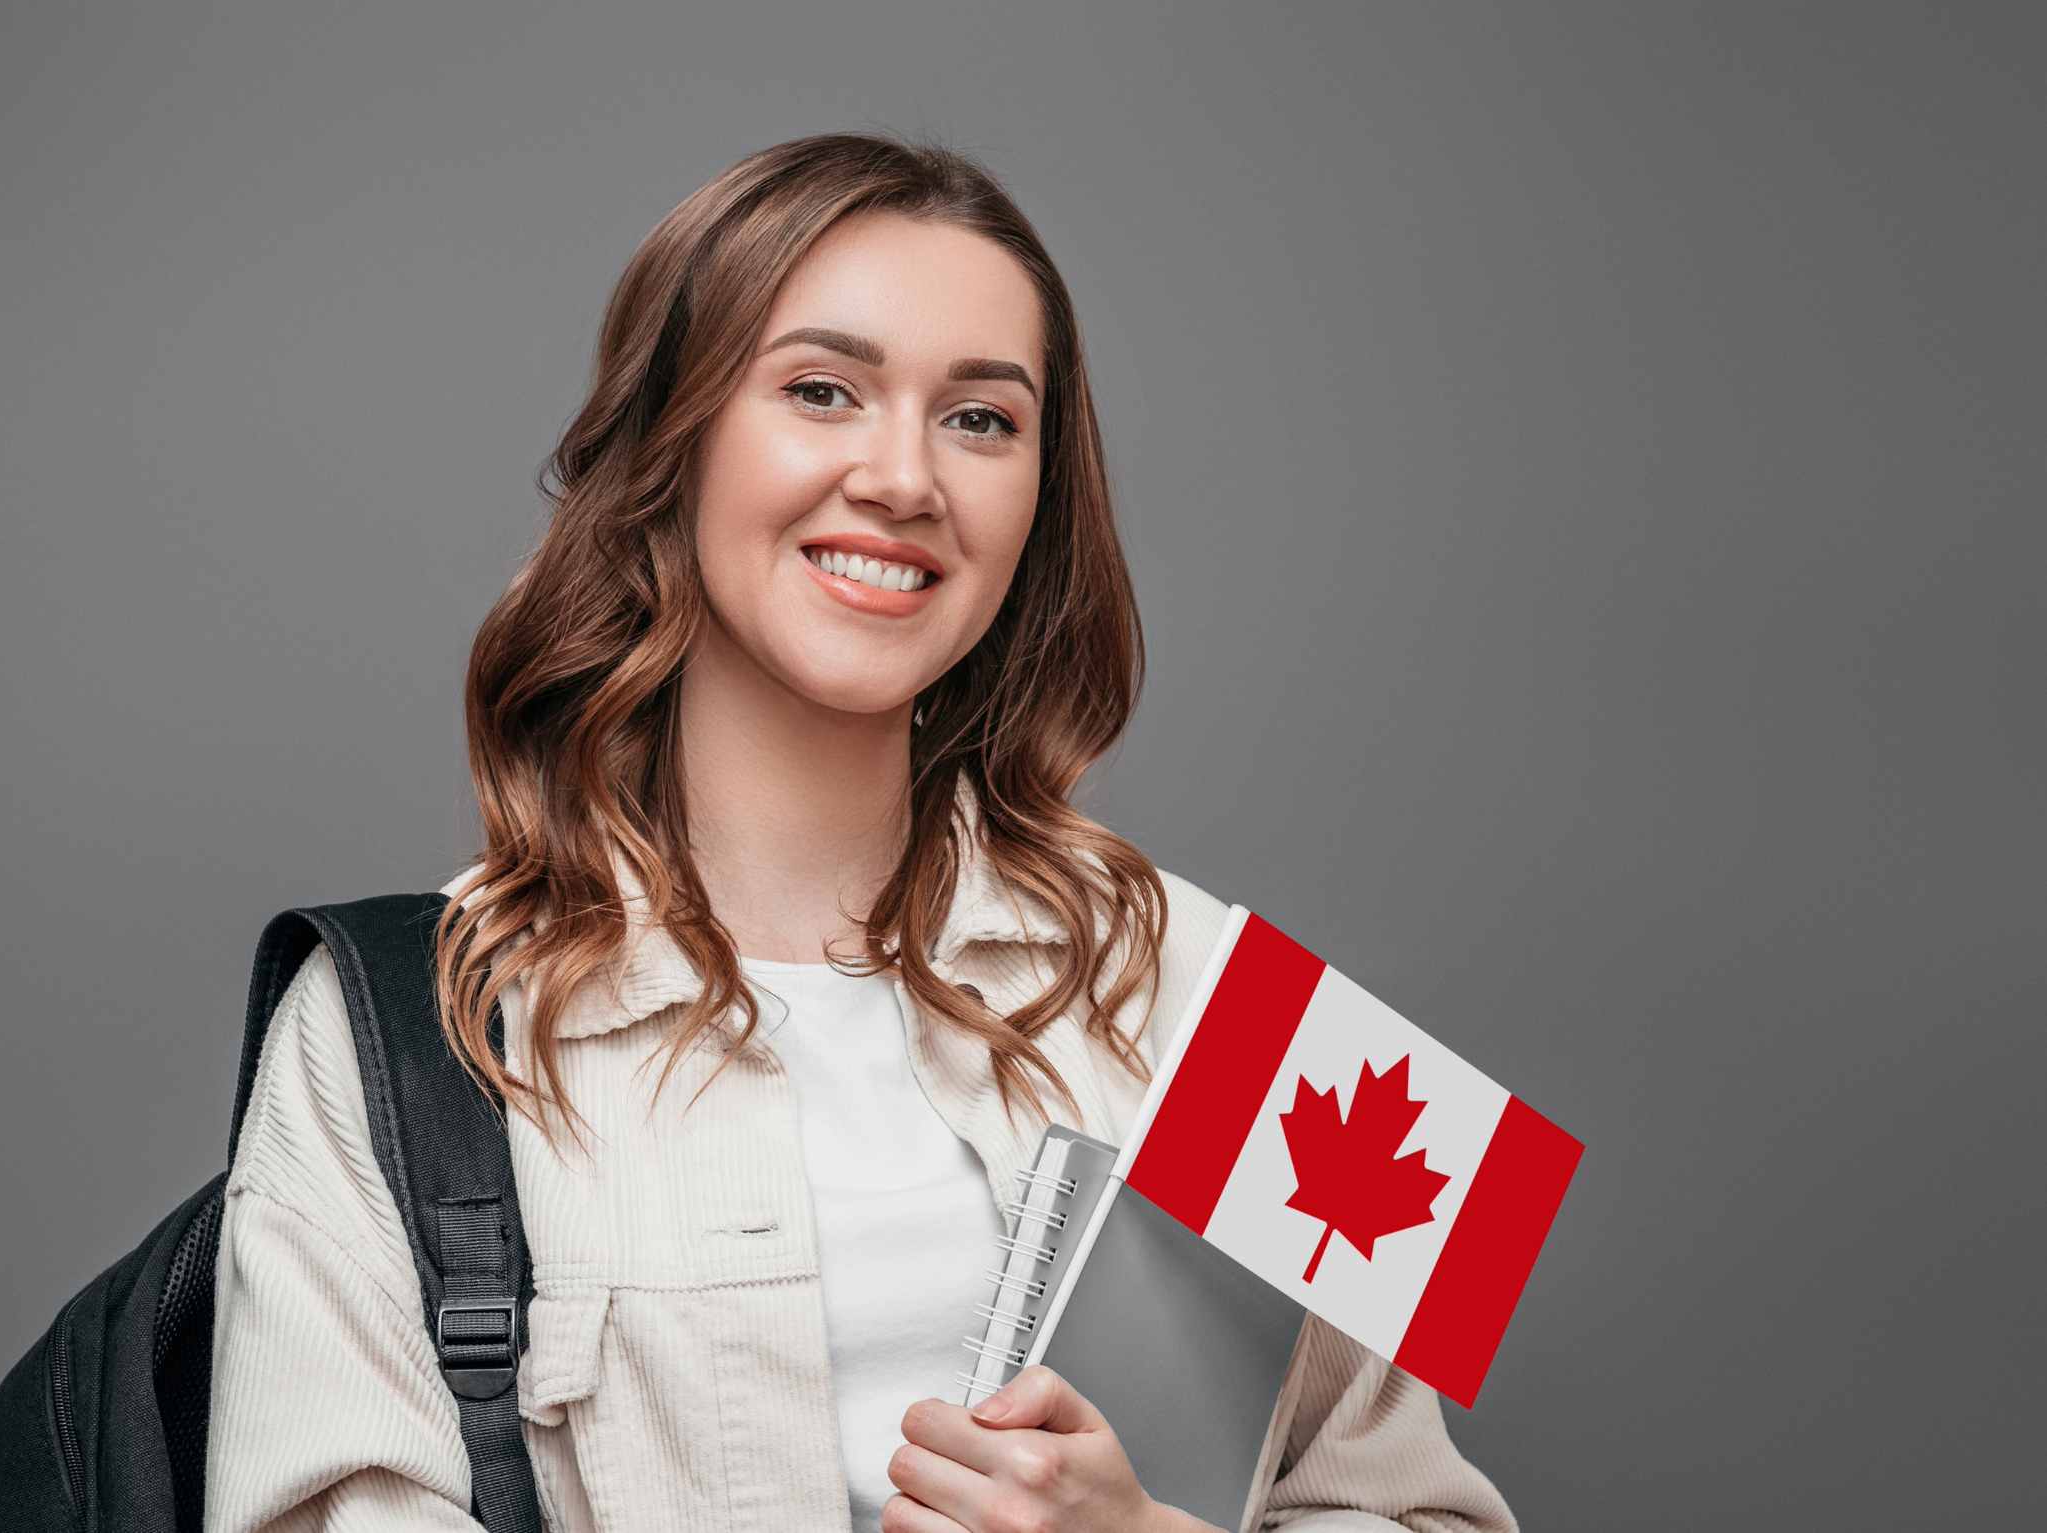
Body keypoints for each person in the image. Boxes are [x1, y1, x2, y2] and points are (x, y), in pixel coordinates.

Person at [204, 131, 1518, 1533]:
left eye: (981, 419)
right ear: (672, 447)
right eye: (821, 391)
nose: (904, 477)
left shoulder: (1231, 999)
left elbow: (1430, 1514)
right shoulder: (401, 1030)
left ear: (1037, 504)